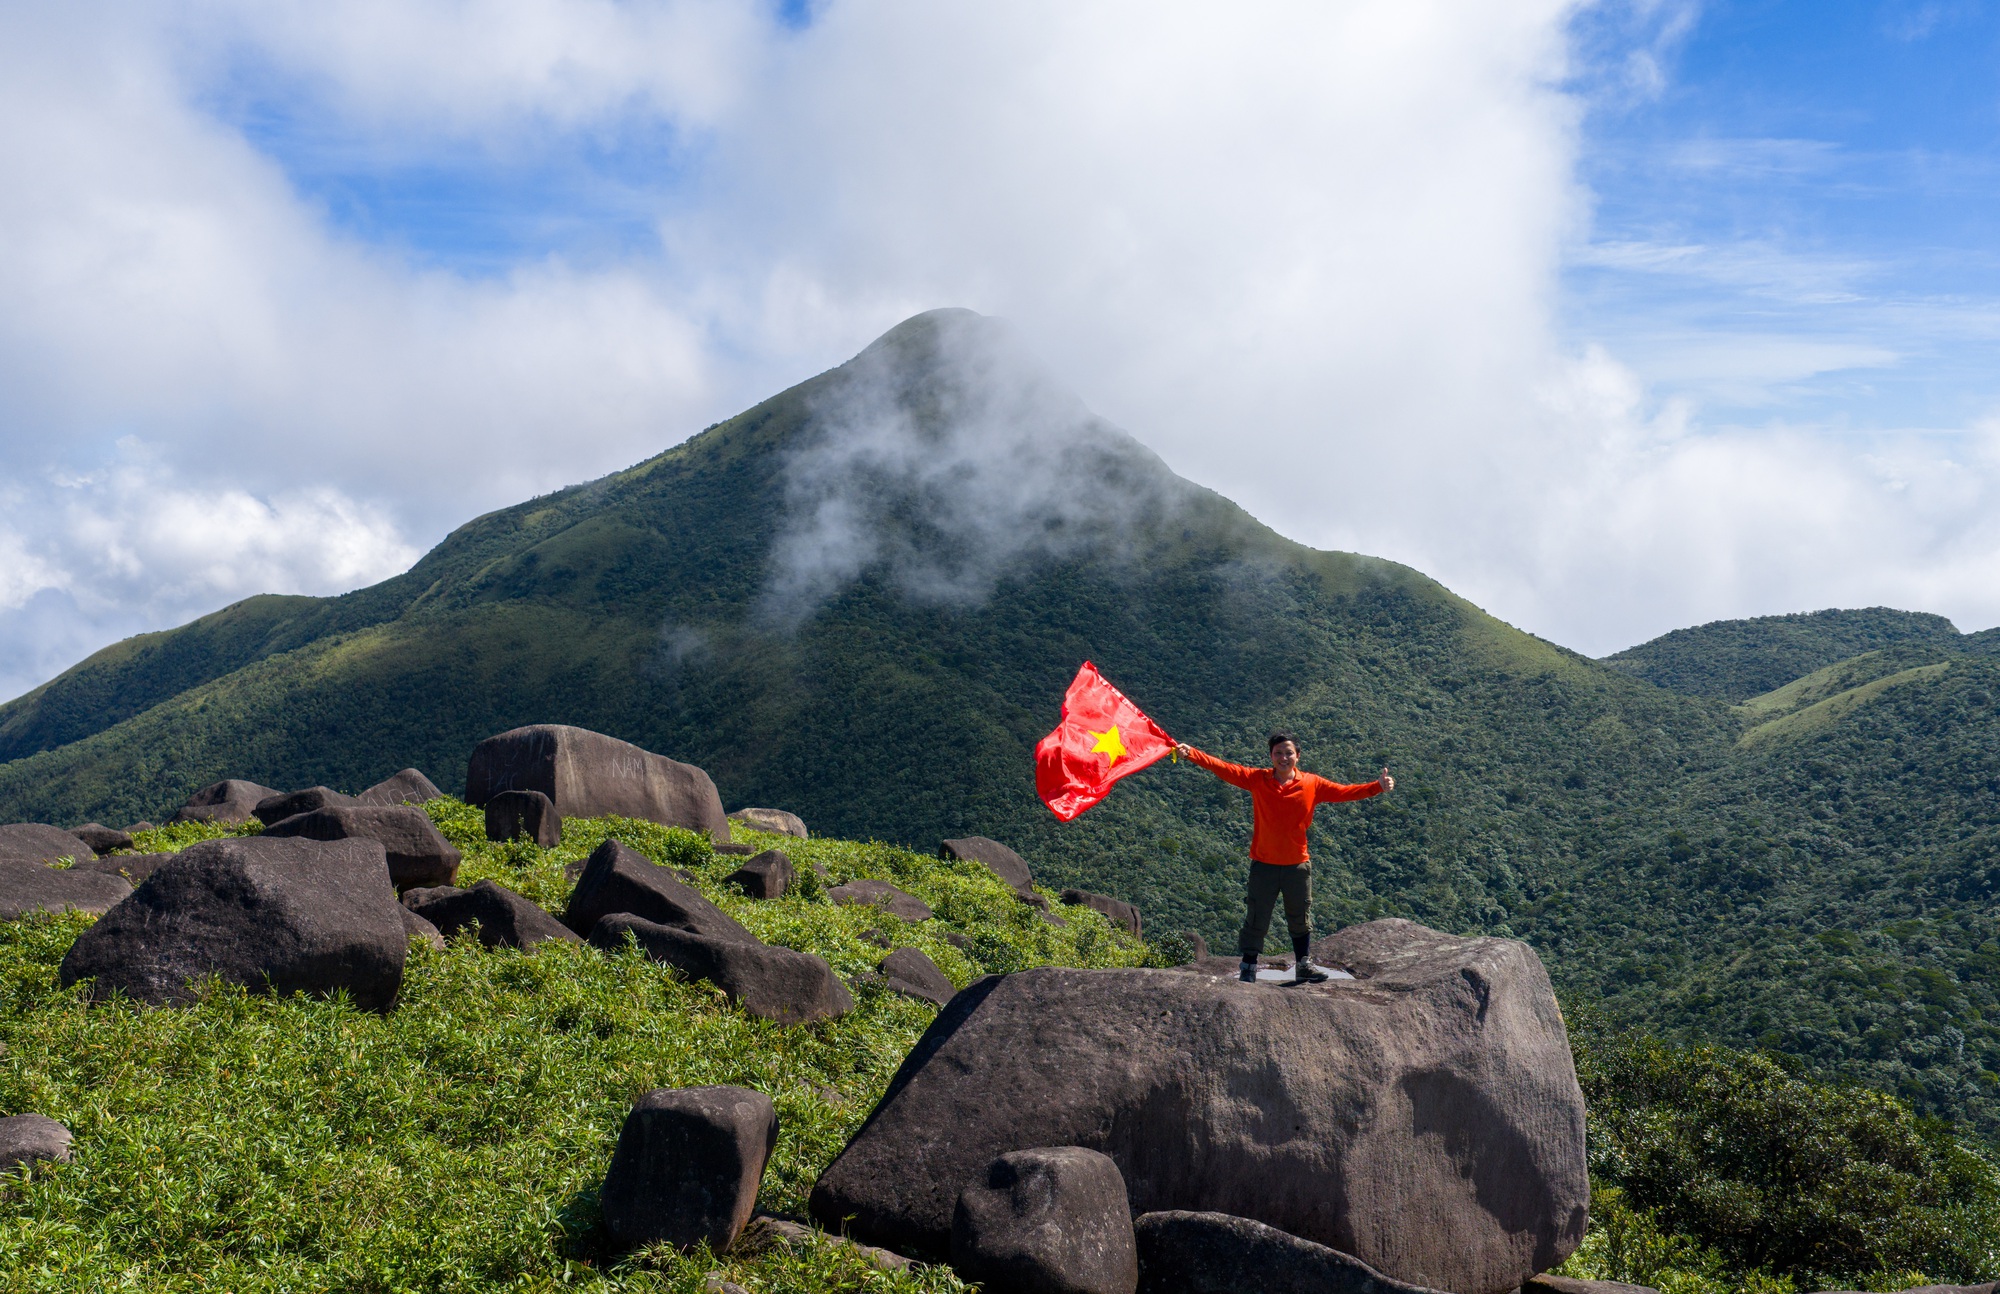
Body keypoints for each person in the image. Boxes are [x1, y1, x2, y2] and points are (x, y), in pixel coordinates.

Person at [1174, 731, 1393, 984]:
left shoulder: (1311, 783)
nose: (1283, 757)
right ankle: (1248, 966)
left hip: (1297, 865)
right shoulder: (1258, 779)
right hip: (1264, 864)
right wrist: (1192, 754)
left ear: (1297, 756)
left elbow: (1345, 792)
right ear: (1271, 756)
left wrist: (1377, 787)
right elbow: (1225, 769)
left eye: (1288, 752)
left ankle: (1303, 965)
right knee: (1256, 917)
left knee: (1300, 917)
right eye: (1278, 753)